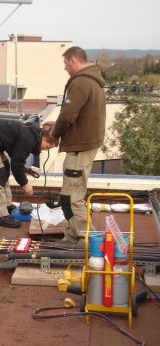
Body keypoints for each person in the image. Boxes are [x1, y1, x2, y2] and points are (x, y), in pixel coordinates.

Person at [44, 46, 106, 243]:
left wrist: (54, 134)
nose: (65, 68)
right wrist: (59, 122)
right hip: (85, 143)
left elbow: (69, 115)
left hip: (79, 147)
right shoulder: (93, 81)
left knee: (71, 198)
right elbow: (78, 115)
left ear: (73, 61)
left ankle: (83, 241)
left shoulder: (80, 83)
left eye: (65, 64)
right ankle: (72, 239)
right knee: (73, 195)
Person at [0, 118, 54, 228]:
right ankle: (0, 216)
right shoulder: (29, 138)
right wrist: (24, 184)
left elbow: (17, 156)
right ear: (44, 139)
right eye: (48, 147)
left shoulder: (33, 135)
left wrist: (21, 167)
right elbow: (16, 164)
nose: (45, 150)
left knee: (4, 169)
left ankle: (7, 205)